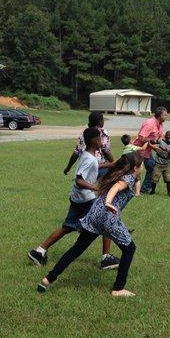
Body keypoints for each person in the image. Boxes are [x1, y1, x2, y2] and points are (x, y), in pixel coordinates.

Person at [37, 152, 144, 297]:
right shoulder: (127, 178)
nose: (143, 166)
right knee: (130, 248)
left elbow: (131, 182)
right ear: (136, 167)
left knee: (77, 248)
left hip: (95, 215)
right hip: (107, 217)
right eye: (142, 164)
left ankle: (48, 279)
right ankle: (118, 289)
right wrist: (108, 202)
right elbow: (116, 188)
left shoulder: (119, 174)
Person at [27, 127, 120, 268]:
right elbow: (79, 180)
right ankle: (106, 258)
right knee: (107, 219)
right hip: (86, 199)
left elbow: (93, 165)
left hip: (77, 197)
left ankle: (39, 251)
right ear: (95, 141)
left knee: (68, 226)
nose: (102, 141)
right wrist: (97, 188)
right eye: (100, 138)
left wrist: (110, 164)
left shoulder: (86, 155)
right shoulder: (90, 159)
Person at [62, 111, 119, 268]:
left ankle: (41, 249)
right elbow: (106, 151)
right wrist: (115, 165)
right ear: (100, 121)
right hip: (96, 172)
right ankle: (106, 257)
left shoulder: (84, 134)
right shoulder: (102, 133)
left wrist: (68, 167)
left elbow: (76, 153)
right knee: (105, 212)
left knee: (73, 223)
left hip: (90, 171)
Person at [133, 106, 168, 193]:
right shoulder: (150, 123)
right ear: (160, 115)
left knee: (152, 168)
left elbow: (159, 138)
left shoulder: (160, 124)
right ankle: (125, 187)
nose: (166, 116)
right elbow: (141, 137)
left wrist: (166, 147)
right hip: (137, 151)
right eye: (165, 115)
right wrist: (153, 146)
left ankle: (144, 190)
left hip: (147, 152)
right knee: (134, 171)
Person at [150, 130, 170, 196]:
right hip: (158, 164)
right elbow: (153, 141)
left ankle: (169, 193)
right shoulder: (161, 141)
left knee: (168, 179)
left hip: (167, 165)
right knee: (154, 179)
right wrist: (150, 141)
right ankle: (153, 191)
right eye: (168, 135)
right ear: (165, 136)